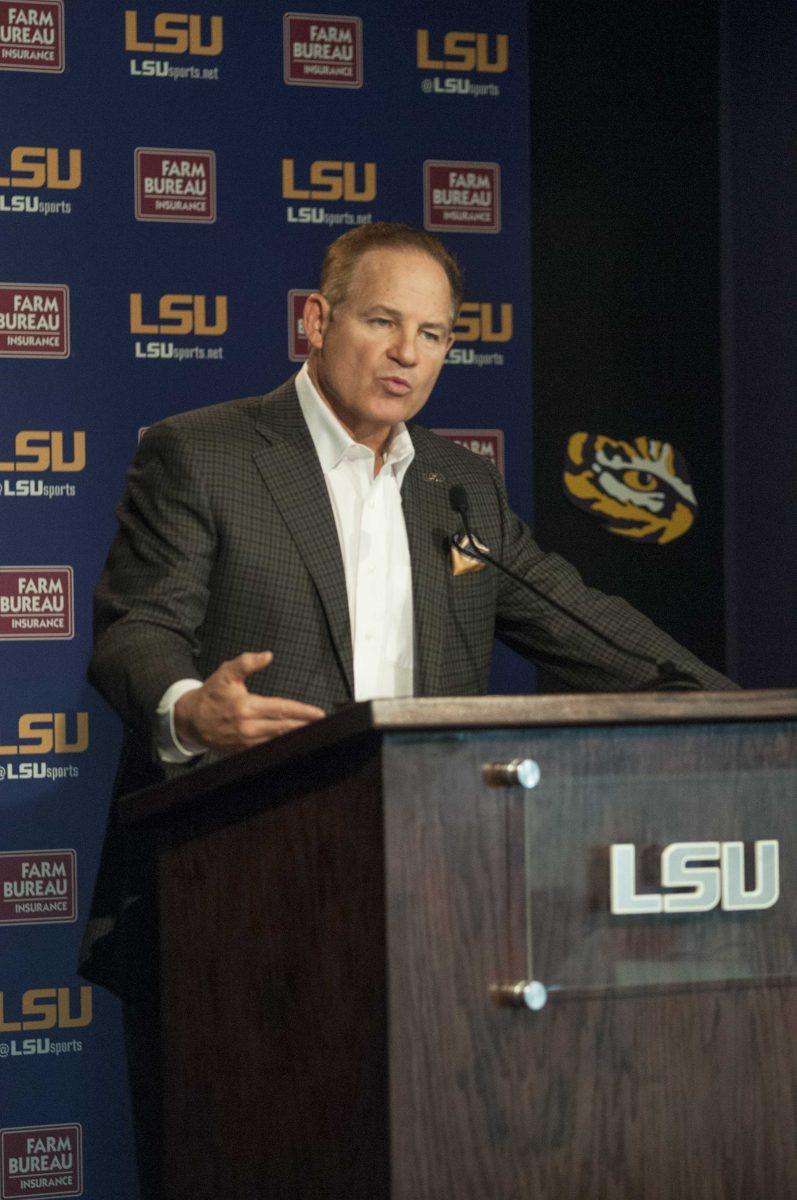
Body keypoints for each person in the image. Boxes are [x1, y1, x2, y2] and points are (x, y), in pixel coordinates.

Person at [80, 222, 734, 1195]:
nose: (406, 354)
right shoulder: (204, 454)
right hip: (232, 902)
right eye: (382, 320)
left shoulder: (456, 487)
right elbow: (136, 630)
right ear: (315, 319)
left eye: (431, 334)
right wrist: (188, 708)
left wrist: (737, 715)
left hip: (427, 916)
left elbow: (578, 620)